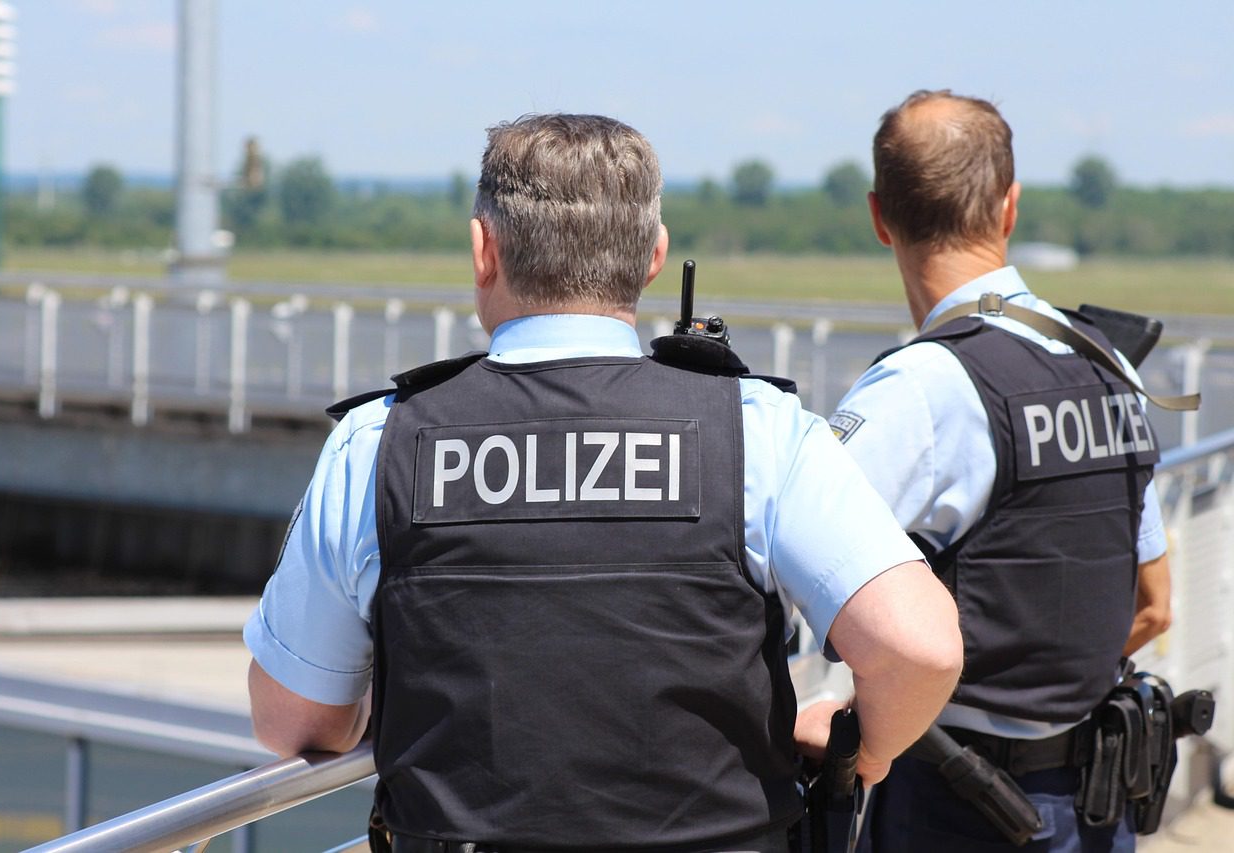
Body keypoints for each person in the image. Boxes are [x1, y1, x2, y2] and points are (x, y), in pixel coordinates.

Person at [244, 113, 962, 853]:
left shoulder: (378, 444)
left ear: (483, 250)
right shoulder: (757, 430)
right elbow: (922, 648)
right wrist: (863, 752)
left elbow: (295, 722)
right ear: (654, 257)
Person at [830, 90, 1173, 852]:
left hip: (957, 802)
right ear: (1009, 206)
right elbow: (1156, 602)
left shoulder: (920, 388)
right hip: (1098, 799)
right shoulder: (1107, 362)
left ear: (880, 215)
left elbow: (778, 561)